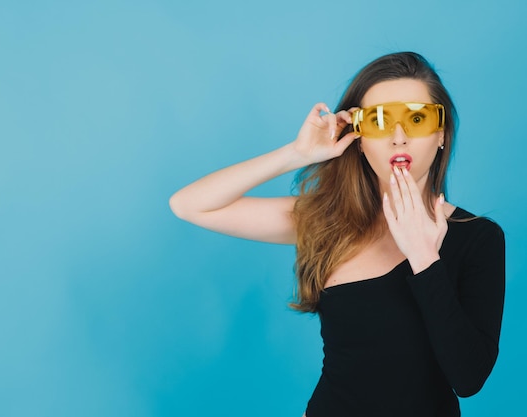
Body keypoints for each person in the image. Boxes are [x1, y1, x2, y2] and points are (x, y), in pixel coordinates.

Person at [169, 52, 505, 417]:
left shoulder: (479, 239)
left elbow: (469, 378)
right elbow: (190, 204)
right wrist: (296, 154)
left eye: (417, 119)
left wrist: (424, 259)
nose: (398, 137)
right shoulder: (328, 222)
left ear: (440, 134)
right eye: (378, 121)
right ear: (359, 140)